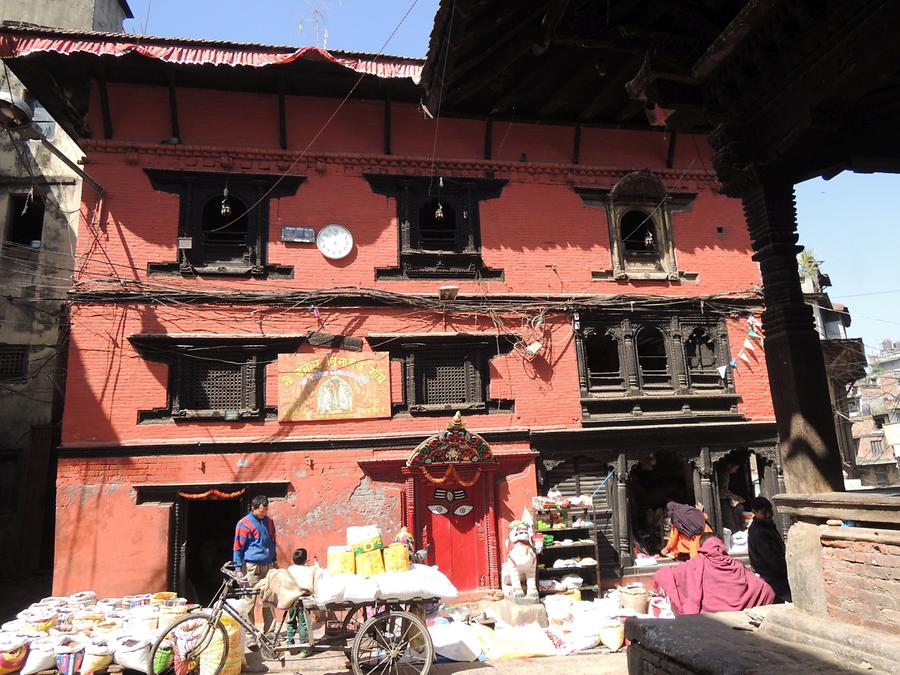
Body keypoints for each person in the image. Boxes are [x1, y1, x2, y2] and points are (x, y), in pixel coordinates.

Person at [652, 534, 775, 615]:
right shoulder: (736, 565)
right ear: (722, 546)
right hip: (738, 619)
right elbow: (765, 589)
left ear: (702, 547)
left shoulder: (695, 564)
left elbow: (663, 575)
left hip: (708, 621)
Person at [234, 495, 278, 635]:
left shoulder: (269, 522)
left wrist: (274, 561)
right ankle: (250, 634)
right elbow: (238, 547)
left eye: (266, 510)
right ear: (253, 508)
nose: (264, 513)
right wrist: (238, 568)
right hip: (251, 567)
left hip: (268, 566)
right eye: (261, 511)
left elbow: (272, 542)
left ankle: (269, 633)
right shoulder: (244, 524)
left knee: (269, 598)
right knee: (249, 600)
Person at [747, 496, 792, 602]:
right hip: (771, 577)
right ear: (755, 512)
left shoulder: (767, 527)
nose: (768, 515)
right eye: (763, 512)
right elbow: (772, 559)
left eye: (770, 511)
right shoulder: (759, 532)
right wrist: (787, 570)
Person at [285, 548, 310, 655]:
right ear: (305, 560)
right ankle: (304, 648)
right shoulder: (307, 570)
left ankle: (290, 645)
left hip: (290, 600)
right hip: (302, 600)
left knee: (291, 621)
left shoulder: (290, 569)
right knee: (303, 623)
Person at [717, 461, 747, 533]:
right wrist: (736, 497)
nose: (735, 471)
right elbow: (723, 491)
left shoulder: (725, 473)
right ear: (730, 465)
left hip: (725, 500)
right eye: (735, 468)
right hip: (721, 501)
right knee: (729, 522)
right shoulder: (724, 474)